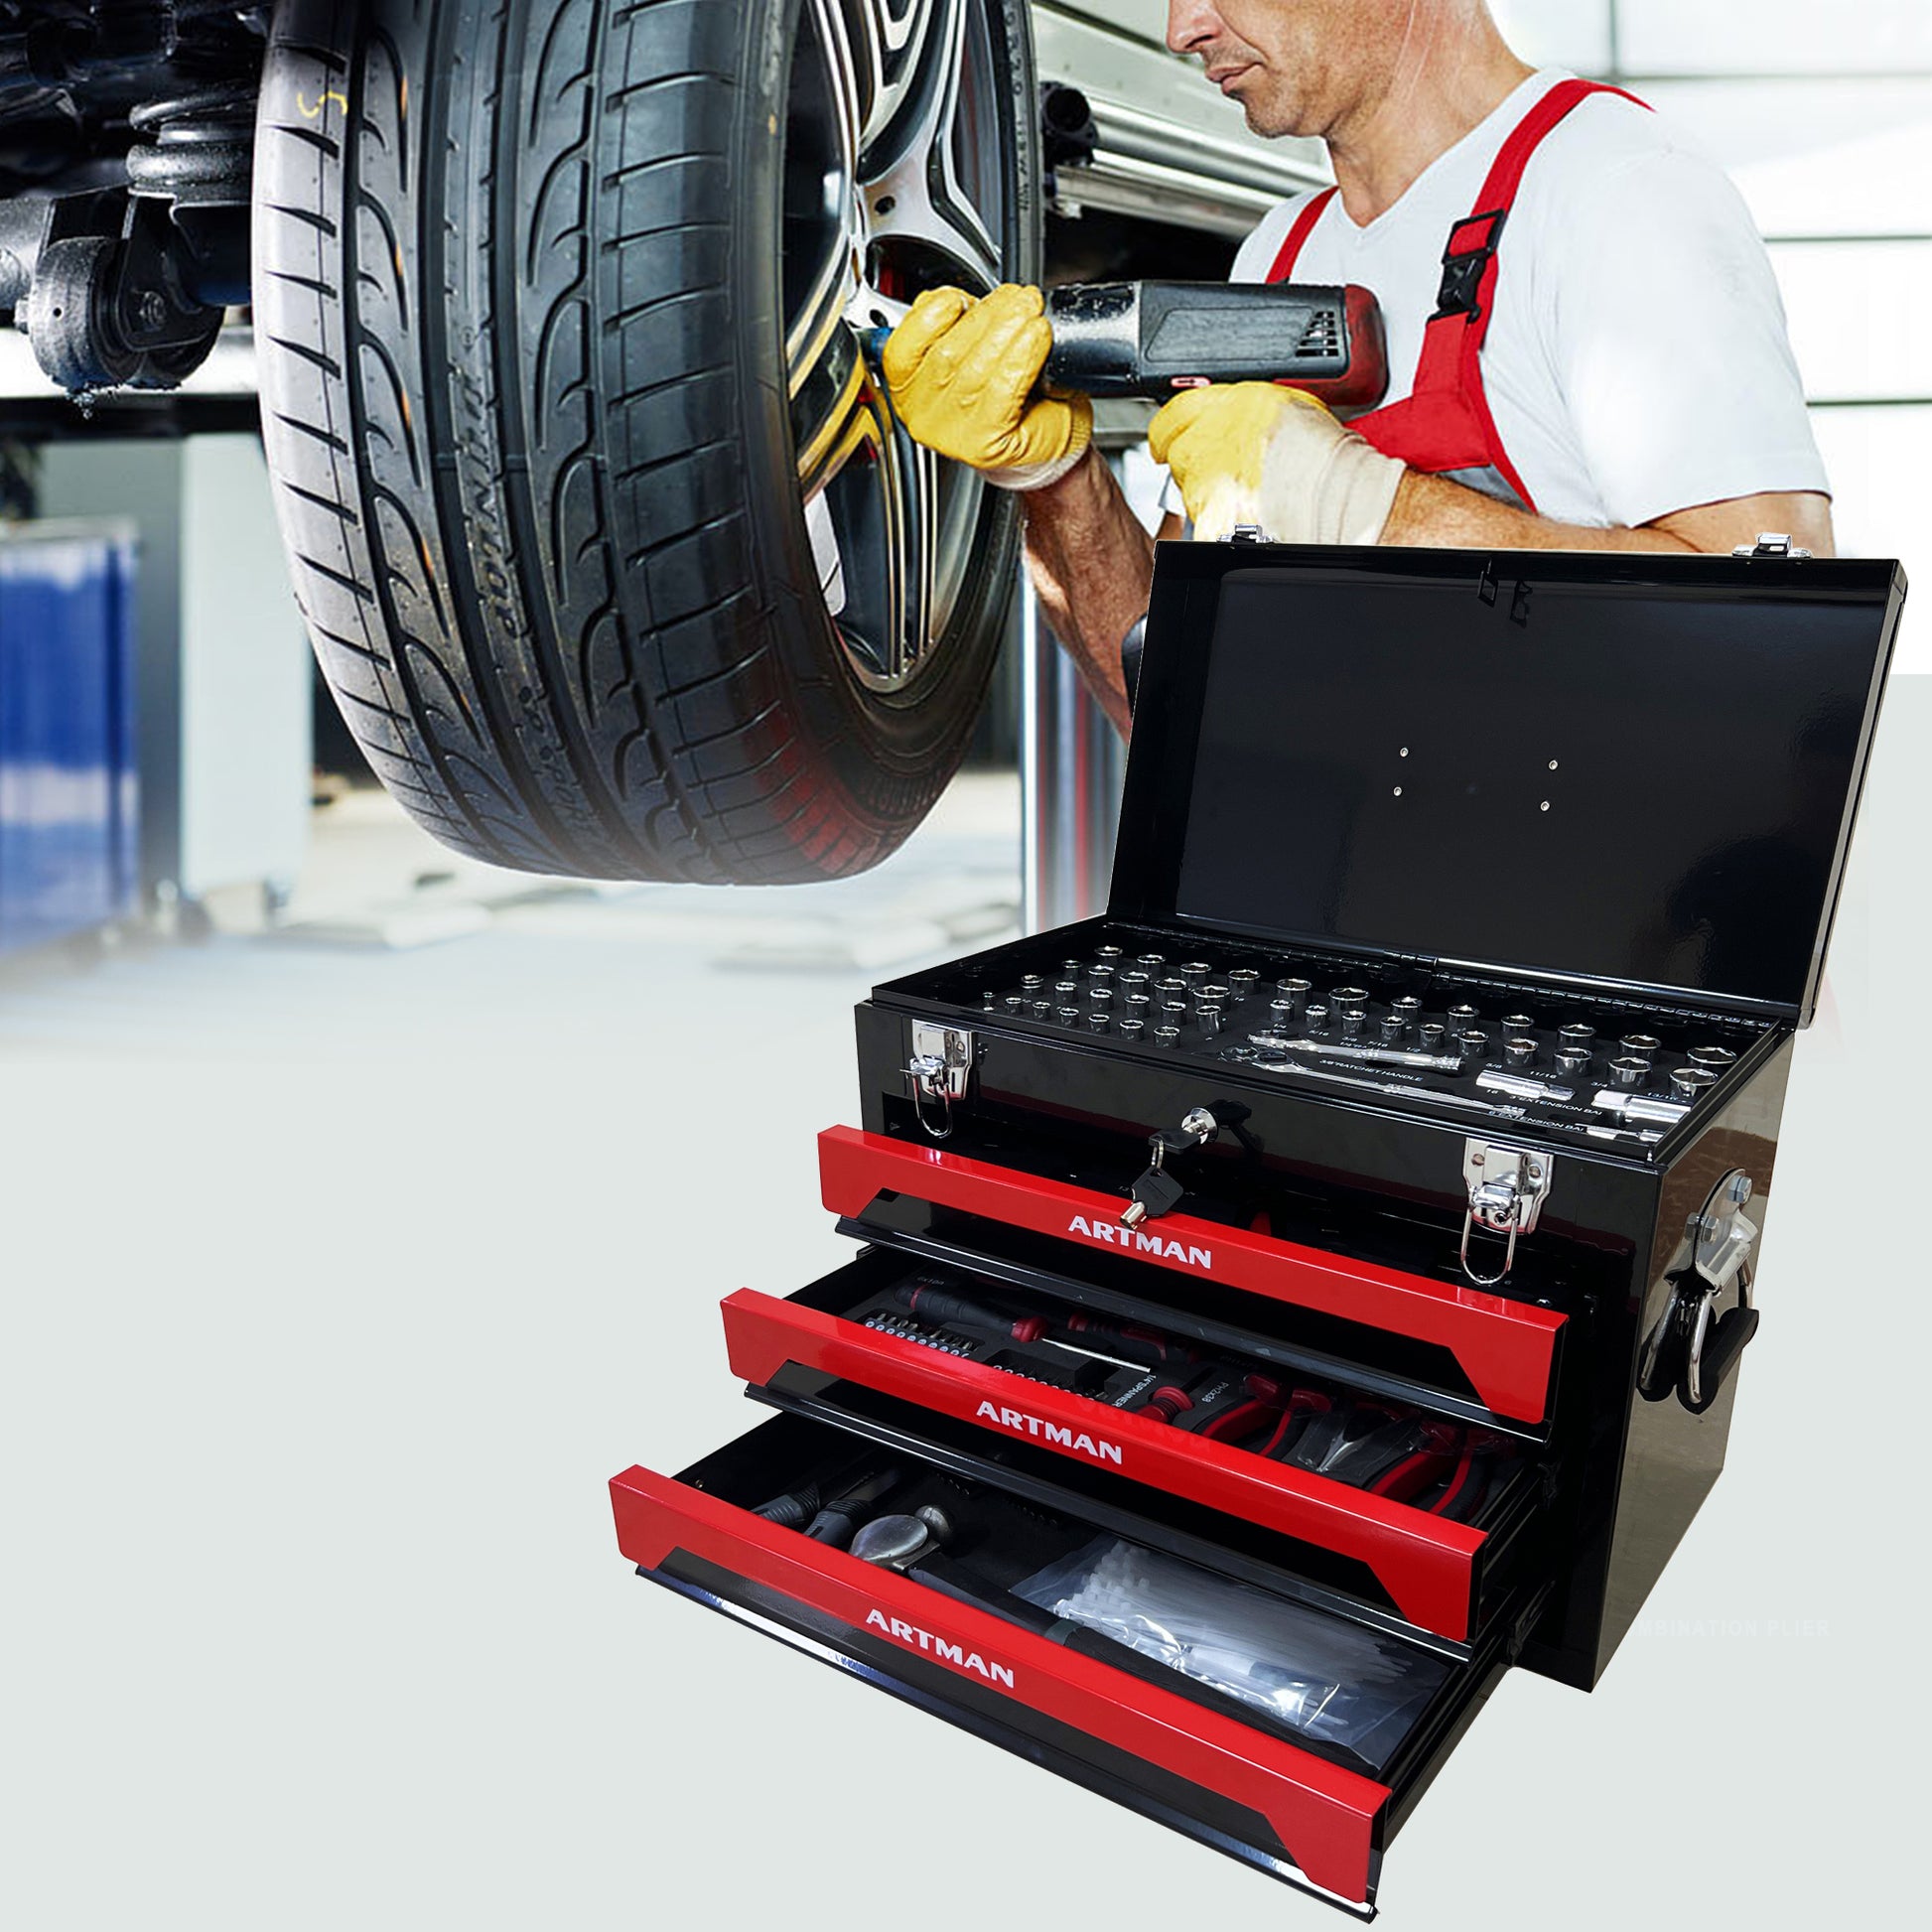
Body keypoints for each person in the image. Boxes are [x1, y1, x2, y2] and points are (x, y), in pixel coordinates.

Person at [881, 0, 1834, 735]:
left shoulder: (1613, 189)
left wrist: (1363, 505)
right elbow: (1174, 714)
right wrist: (1056, 482)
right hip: (1348, 909)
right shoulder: (1280, 256)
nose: (1182, 29)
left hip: (1588, 915)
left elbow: (1778, 650)